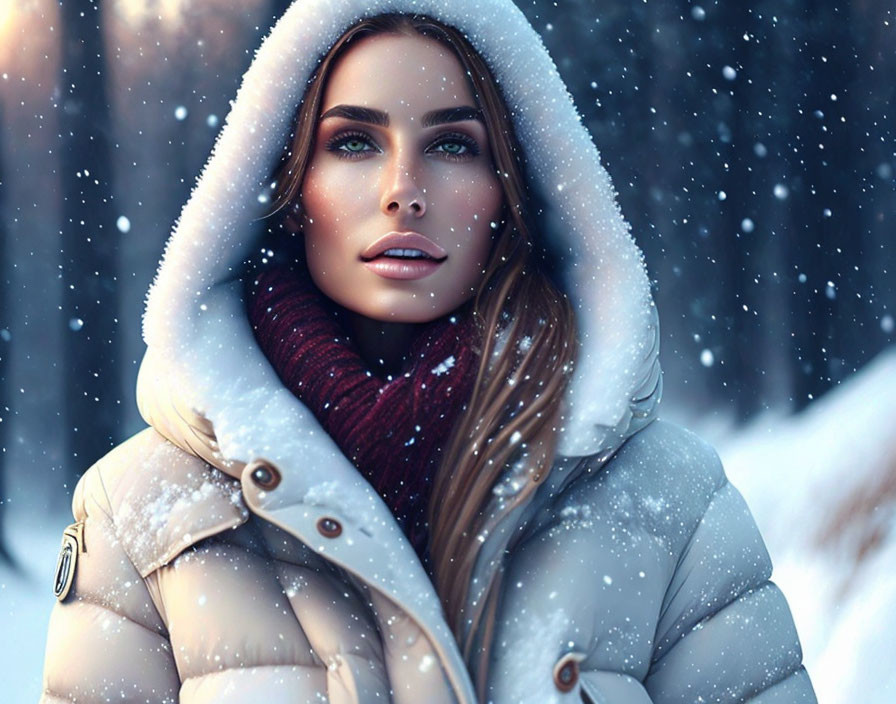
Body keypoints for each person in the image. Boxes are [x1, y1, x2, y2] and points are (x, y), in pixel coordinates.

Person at [39, 3, 818, 703]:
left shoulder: (671, 506)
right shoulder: (141, 513)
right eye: (351, 141)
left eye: (451, 144)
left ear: (514, 188)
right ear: (284, 182)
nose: (403, 190)